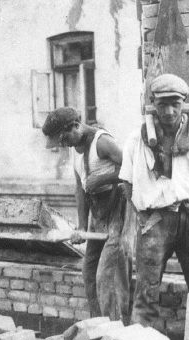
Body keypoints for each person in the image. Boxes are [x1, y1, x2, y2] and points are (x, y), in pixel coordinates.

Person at [120, 73, 189, 340]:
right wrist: (142, 217)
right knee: (146, 293)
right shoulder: (137, 139)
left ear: (184, 104)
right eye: (163, 104)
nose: (169, 111)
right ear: (153, 104)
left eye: (175, 104)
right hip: (156, 221)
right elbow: (126, 183)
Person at [42, 107, 131, 323]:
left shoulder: (102, 142)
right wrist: (82, 226)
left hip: (117, 211)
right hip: (97, 215)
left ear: (75, 126)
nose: (64, 145)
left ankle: (112, 329)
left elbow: (133, 169)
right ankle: (97, 324)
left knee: (105, 276)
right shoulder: (76, 150)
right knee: (89, 272)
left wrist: (102, 179)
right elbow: (80, 189)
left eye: (64, 139)